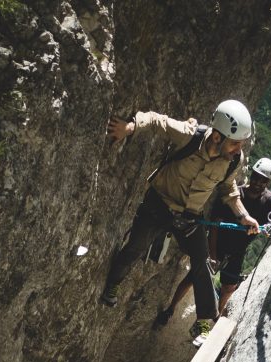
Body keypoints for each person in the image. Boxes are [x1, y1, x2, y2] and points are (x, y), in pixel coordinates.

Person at [101, 100, 260, 345]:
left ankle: (204, 322)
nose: (239, 149)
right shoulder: (190, 136)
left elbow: (228, 189)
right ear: (217, 137)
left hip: (189, 217)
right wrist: (129, 128)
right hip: (158, 205)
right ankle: (113, 283)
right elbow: (157, 120)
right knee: (136, 247)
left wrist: (243, 215)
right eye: (236, 142)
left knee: (202, 261)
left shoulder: (231, 161)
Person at [155, 156, 271, 324]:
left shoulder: (270, 201)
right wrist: (212, 254)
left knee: (229, 287)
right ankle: (170, 309)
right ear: (252, 174)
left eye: (262, 181)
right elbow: (214, 226)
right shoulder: (234, 196)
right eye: (256, 177)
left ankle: (215, 317)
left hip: (237, 251)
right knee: (193, 278)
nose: (257, 183)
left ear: (267, 183)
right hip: (217, 245)